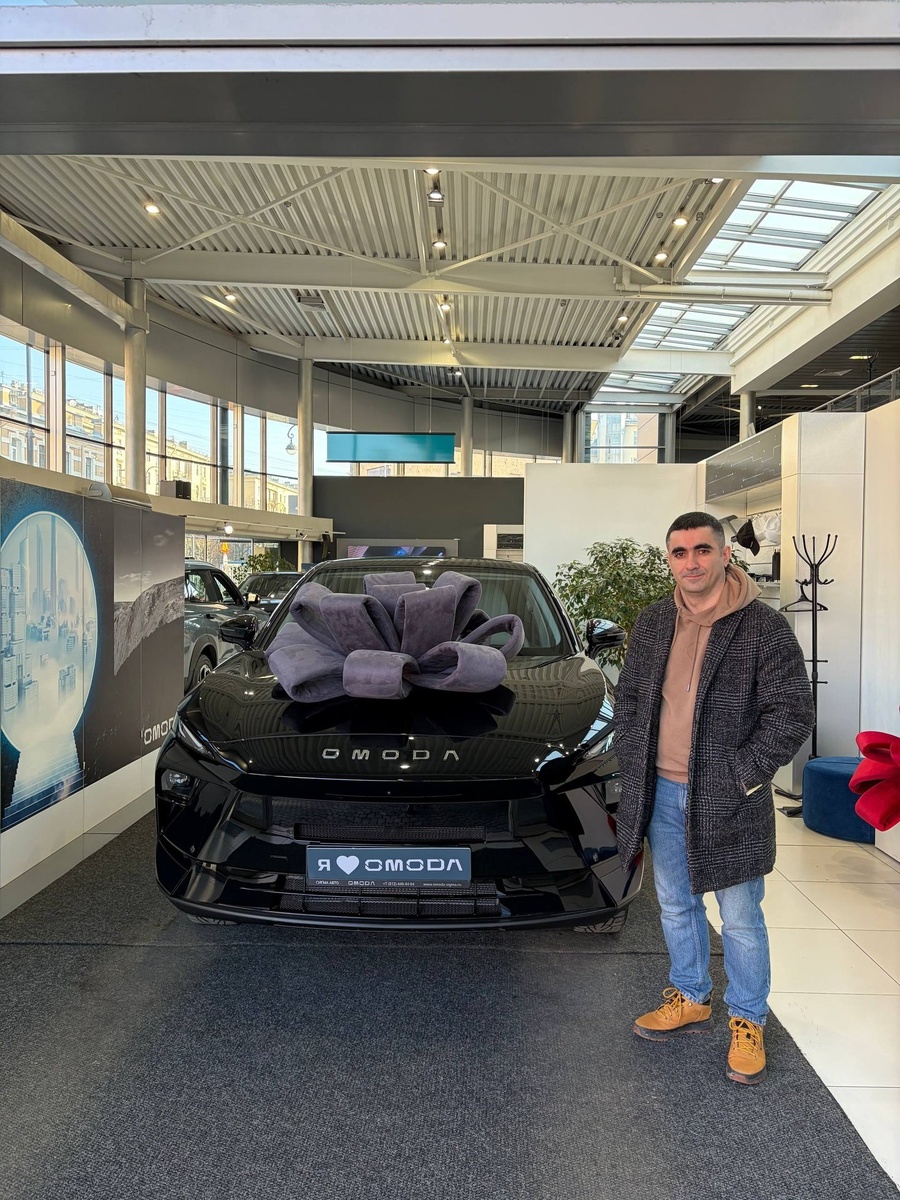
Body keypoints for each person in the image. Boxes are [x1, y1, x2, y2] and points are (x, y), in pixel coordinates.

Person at [614, 512, 814, 1085]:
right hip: (660, 790)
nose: (692, 562)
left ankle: (748, 1018)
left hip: (728, 797)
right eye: (680, 552)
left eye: (703, 550)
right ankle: (691, 995)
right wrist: (632, 752)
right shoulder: (654, 621)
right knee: (675, 904)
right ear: (669, 560)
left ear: (726, 554)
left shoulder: (763, 627)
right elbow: (629, 698)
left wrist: (740, 776)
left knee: (741, 917)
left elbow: (792, 712)